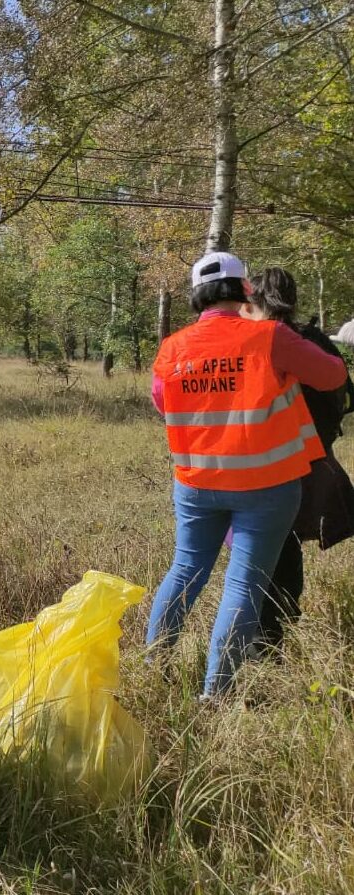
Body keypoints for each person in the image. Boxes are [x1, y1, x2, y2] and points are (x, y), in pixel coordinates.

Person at [146, 253, 347, 696]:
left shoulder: (172, 348)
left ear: (196, 297)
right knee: (244, 584)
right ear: (246, 291)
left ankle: (152, 664)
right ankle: (216, 693)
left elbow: (163, 402)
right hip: (267, 487)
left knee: (183, 571)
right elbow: (333, 376)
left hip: (196, 484)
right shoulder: (270, 337)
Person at [242, 268, 353, 652]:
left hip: (265, 463)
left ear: (255, 298)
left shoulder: (260, 341)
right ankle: (281, 619)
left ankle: (267, 634)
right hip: (312, 460)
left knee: (269, 545)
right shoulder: (315, 341)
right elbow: (341, 394)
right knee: (284, 542)